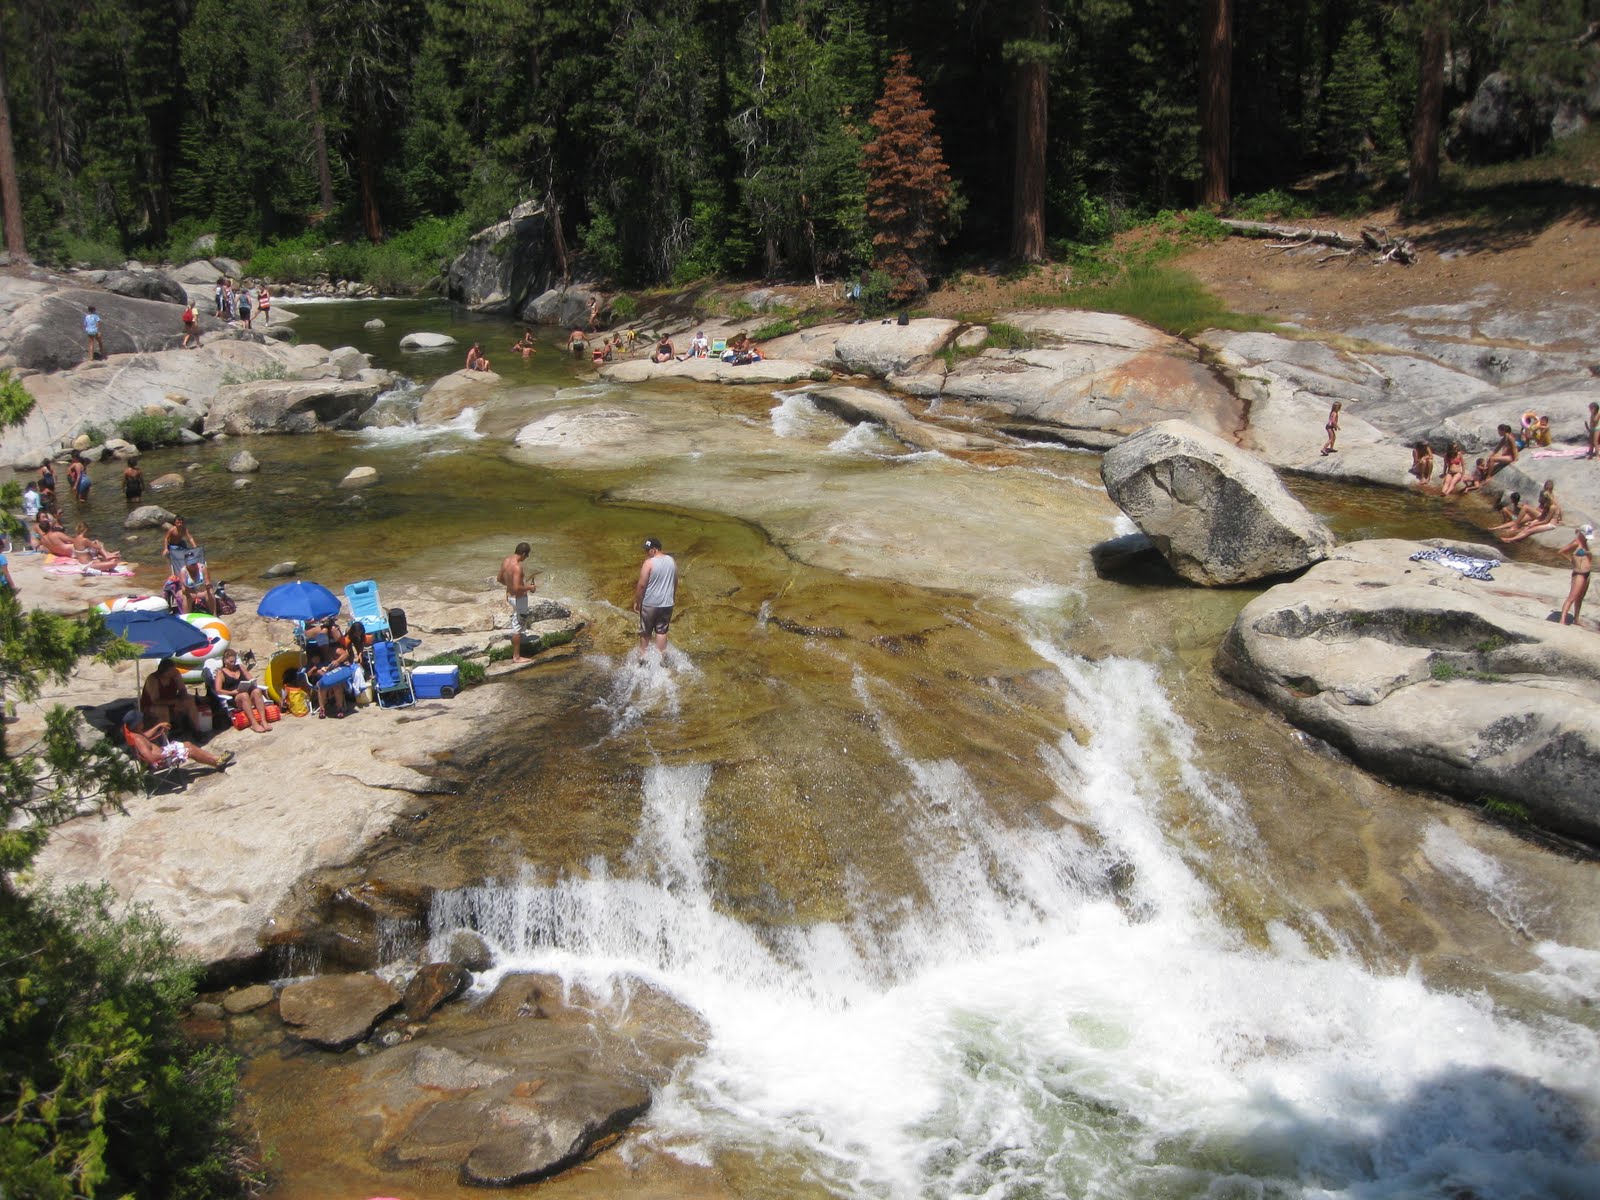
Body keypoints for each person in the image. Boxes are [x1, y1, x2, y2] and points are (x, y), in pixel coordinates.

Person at [123, 710, 231, 772]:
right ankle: (216, 761)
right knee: (190, 750)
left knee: (187, 744)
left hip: (164, 753)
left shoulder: (135, 734)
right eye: (141, 721)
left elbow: (145, 736)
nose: (143, 722)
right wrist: (167, 755)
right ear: (137, 724)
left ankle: (216, 759)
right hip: (162, 760)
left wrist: (158, 726)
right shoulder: (138, 739)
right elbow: (150, 758)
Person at [632, 536, 678, 660]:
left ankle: (643, 659)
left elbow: (641, 585)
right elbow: (675, 581)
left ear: (654, 549)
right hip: (667, 604)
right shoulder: (671, 561)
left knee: (645, 632)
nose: (646, 553)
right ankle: (662, 659)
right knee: (661, 631)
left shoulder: (649, 563)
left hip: (651, 604)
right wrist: (672, 598)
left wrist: (637, 601)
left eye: (647, 550)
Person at [216, 647, 271, 733]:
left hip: (247, 694)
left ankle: (263, 721)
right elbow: (218, 690)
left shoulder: (240, 667)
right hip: (234, 698)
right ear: (225, 661)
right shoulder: (221, 672)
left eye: (234, 661)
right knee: (244, 695)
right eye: (231, 662)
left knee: (257, 691)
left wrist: (251, 684)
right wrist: (232, 692)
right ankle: (254, 724)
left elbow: (251, 679)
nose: (233, 664)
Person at [141, 659, 204, 733]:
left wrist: (182, 699)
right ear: (165, 671)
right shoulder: (153, 679)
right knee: (162, 710)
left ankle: (197, 730)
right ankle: (165, 735)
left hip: (172, 701)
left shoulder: (175, 674)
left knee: (189, 700)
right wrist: (173, 702)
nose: (174, 671)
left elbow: (182, 690)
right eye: (172, 670)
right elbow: (155, 700)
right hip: (152, 705)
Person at [498, 542, 536, 663]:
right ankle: (516, 656)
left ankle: (517, 650)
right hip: (519, 600)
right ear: (523, 554)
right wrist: (530, 588)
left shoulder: (506, 561)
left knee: (516, 620)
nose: (527, 558)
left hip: (510, 597)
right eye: (527, 555)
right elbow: (517, 588)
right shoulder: (518, 567)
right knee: (517, 626)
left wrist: (508, 587)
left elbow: (499, 579)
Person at [1558, 524, 1593, 627]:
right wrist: (1570, 559)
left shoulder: (1585, 543)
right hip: (1579, 574)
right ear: (1581, 534)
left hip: (1587, 573)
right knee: (1572, 597)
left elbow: (1587, 556)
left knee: (1580, 597)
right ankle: (1562, 620)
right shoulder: (1576, 543)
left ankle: (1576, 619)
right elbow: (1561, 551)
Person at [19, 481, 39, 549]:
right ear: (33, 487)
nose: (37, 488)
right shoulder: (36, 495)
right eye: (36, 486)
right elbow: (38, 506)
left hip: (28, 514)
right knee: (36, 530)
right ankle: (37, 545)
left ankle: (31, 544)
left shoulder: (26, 495)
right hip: (35, 514)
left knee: (29, 531)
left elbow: (23, 505)